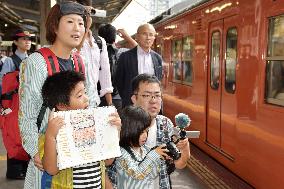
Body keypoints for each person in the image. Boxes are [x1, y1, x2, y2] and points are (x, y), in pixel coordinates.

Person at [18, 2, 105, 188]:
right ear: (55, 26)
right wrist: (35, 152)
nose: (77, 28)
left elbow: (89, 106)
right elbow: (26, 115)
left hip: (77, 155)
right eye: (70, 21)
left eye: (81, 23)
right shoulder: (37, 62)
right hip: (48, 156)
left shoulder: (79, 60)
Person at [41, 70, 120, 188]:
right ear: (62, 105)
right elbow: (51, 170)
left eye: (85, 92)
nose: (86, 99)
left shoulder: (95, 124)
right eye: (79, 95)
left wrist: (114, 131)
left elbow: (108, 161)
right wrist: (51, 137)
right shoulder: (52, 132)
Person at [131, 74, 190, 189]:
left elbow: (180, 164)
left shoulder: (165, 124)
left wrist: (185, 149)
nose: (153, 101)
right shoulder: (124, 126)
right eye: (147, 95)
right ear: (134, 99)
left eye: (157, 96)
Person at [115, 105, 168, 189]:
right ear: (129, 130)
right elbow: (137, 174)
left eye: (147, 131)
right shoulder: (121, 153)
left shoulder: (145, 149)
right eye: (141, 132)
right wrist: (154, 155)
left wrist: (161, 159)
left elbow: (152, 175)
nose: (145, 135)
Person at [115, 23, 163, 108]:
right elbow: (119, 81)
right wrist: (128, 98)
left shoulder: (157, 58)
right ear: (137, 37)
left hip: (152, 104)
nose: (148, 38)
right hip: (132, 105)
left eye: (151, 35)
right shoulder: (125, 57)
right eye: (144, 34)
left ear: (154, 38)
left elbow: (158, 80)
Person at [76, 0, 113, 107]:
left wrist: (110, 104)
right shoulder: (71, 40)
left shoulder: (100, 42)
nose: (85, 16)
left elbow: (105, 73)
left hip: (94, 99)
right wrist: (85, 28)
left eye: (87, 13)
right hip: (74, 100)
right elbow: (74, 53)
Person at [98, 24, 137, 111]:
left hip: (97, 97)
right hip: (116, 97)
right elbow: (139, 50)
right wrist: (126, 36)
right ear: (114, 38)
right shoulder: (120, 53)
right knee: (117, 123)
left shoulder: (95, 52)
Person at [0, 29, 31, 94]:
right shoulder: (10, 60)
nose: (27, 41)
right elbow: (3, 83)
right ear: (15, 42)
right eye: (24, 39)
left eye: (29, 39)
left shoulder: (32, 59)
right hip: (16, 100)